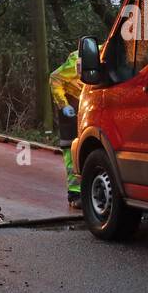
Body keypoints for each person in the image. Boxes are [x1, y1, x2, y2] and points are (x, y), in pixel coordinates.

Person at [50, 50, 83, 207]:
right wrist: (64, 105)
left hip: (88, 104)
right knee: (71, 149)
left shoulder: (116, 55)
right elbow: (55, 77)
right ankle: (75, 193)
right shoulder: (81, 58)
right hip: (72, 106)